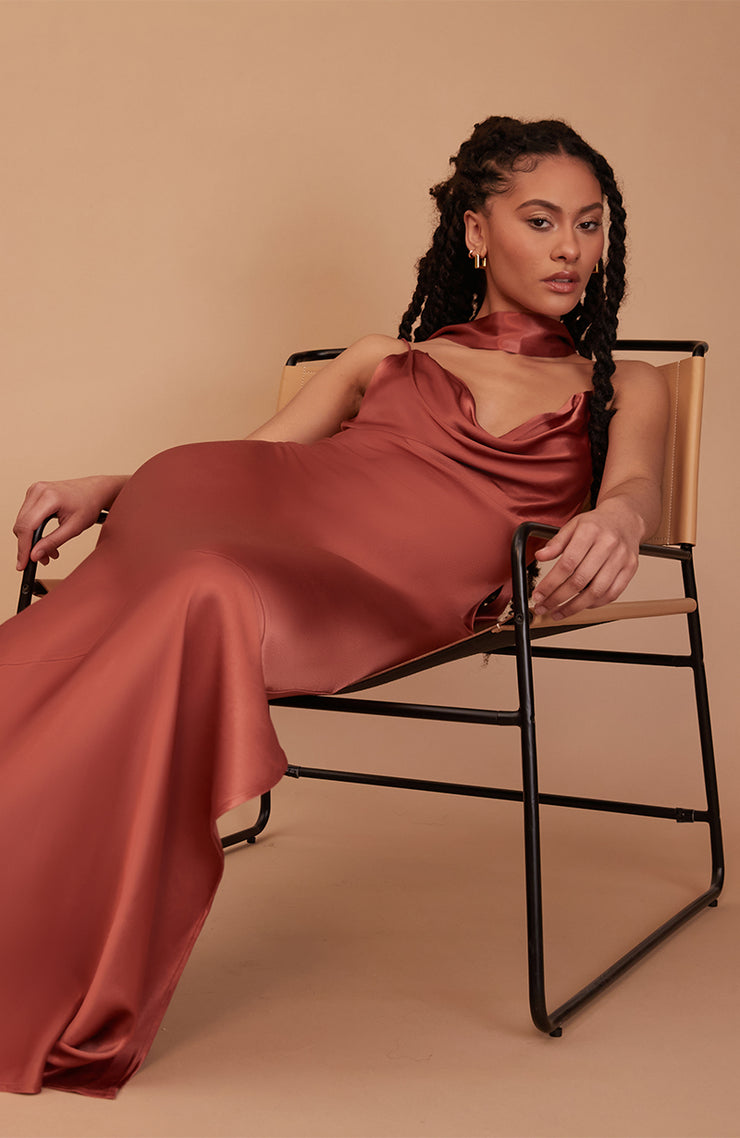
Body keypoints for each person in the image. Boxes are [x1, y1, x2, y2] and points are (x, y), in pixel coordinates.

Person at [0, 116, 667, 1097]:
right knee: (198, 570)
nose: (570, 247)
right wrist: (122, 482)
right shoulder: (377, 357)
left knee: (204, 587)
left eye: (589, 223)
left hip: (403, 584)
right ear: (477, 233)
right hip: (291, 529)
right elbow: (256, 464)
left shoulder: (622, 382)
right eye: (540, 219)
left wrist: (616, 518)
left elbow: (638, 488)